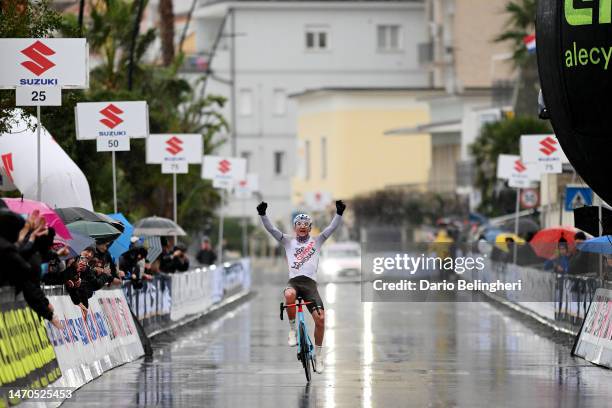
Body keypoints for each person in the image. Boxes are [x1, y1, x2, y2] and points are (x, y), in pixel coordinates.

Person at [257, 199, 346, 374]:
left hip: (310, 286)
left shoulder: (317, 241)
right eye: (299, 224)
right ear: (294, 227)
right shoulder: (288, 242)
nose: (302, 226)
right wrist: (262, 215)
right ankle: (292, 331)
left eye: (306, 224)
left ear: (310, 227)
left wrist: (339, 214)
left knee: (320, 319)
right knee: (289, 295)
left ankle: (318, 356)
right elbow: (271, 229)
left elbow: (331, 229)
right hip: (295, 283)